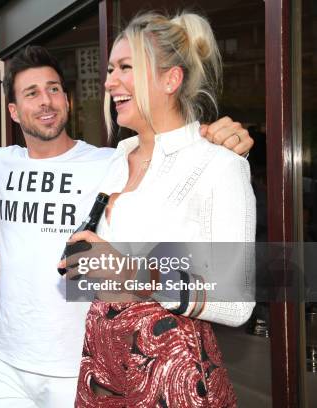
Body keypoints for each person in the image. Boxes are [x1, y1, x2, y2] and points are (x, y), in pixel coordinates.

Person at [0, 45, 254, 407]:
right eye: (32, 93)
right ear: (13, 111)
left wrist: (219, 140)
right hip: (6, 363)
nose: (46, 101)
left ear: (67, 100)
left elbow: (172, 156)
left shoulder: (112, 162)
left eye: (54, 89)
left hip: (82, 363)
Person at [63, 11, 256, 406]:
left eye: (125, 67)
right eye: (110, 69)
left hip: (172, 381)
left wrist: (123, 269)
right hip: (105, 371)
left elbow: (238, 302)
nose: (109, 81)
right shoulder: (115, 162)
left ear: (171, 79)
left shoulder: (218, 164)